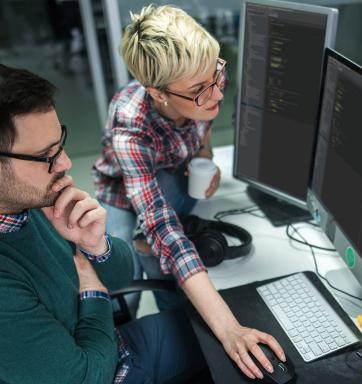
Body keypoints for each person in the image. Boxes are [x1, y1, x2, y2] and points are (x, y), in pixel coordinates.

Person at [92, 4, 286, 380]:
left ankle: (178, 310)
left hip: (173, 177)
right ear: (158, 93)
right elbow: (163, 227)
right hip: (123, 196)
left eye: (217, 73)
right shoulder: (130, 127)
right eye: (199, 90)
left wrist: (204, 153)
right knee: (117, 288)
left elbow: (205, 122)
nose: (215, 95)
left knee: (175, 279)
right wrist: (229, 329)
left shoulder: (204, 85)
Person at [0, 64, 207, 383]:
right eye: (46, 155)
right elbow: (86, 379)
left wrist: (97, 246)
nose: (66, 163)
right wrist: (94, 295)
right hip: (108, 371)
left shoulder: (27, 202)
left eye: (60, 144)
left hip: (109, 344)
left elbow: (122, 274)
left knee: (228, 324)